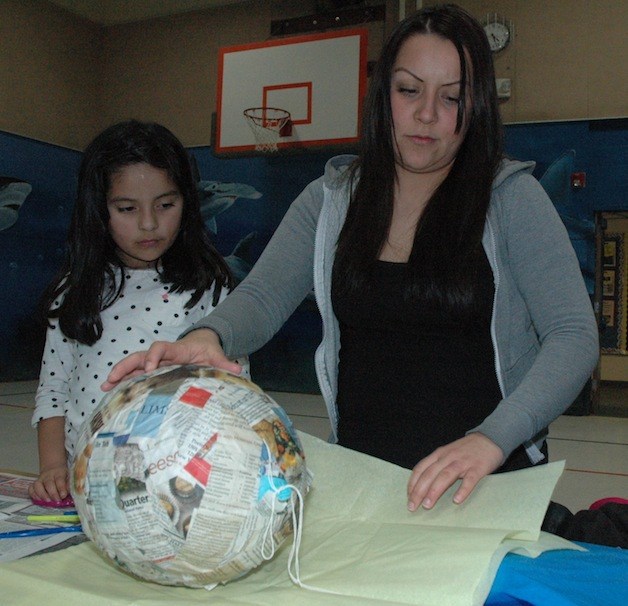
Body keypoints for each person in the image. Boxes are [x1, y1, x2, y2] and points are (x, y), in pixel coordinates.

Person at [104, 5, 598, 512]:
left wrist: (492, 439)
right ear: (383, 94)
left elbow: (573, 336)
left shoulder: (512, 199)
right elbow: (262, 294)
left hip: (488, 486)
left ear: (475, 109)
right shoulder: (330, 199)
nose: (427, 113)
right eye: (409, 90)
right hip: (365, 484)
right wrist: (209, 336)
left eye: (451, 97)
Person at [30, 120, 248, 502]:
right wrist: (52, 468)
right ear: (99, 209)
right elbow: (54, 389)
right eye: (127, 208)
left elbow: (233, 391)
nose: (149, 224)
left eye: (165, 205)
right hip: (87, 484)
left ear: (188, 201)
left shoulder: (210, 288)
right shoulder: (77, 288)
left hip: (176, 486)